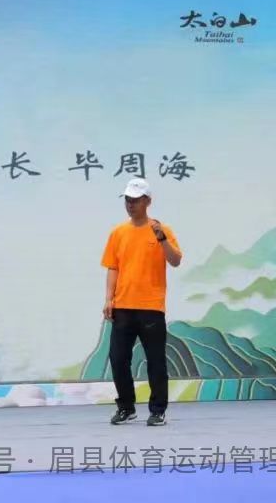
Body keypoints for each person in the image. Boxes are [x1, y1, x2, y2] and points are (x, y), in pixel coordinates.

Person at [101, 177, 182, 426]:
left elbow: (176, 260)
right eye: (127, 200)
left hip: (151, 307)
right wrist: (109, 299)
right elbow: (113, 267)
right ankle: (126, 407)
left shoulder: (161, 229)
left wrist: (162, 239)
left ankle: (158, 410)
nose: (130, 204)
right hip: (123, 306)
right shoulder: (118, 232)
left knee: (155, 361)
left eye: (135, 200)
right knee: (118, 358)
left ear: (148, 201)